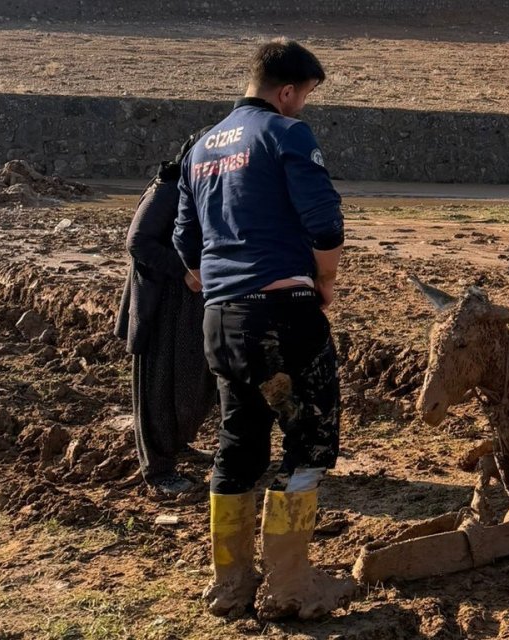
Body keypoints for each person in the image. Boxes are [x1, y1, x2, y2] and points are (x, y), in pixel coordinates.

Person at [173, 38, 353, 619]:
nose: (302, 106)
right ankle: (292, 585)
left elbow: (185, 240)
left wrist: (208, 276)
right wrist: (325, 281)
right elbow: (323, 221)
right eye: (303, 95)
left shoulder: (200, 147)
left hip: (221, 321)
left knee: (238, 442)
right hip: (283, 315)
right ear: (285, 90)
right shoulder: (285, 133)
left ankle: (231, 584)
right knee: (308, 443)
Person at [114, 128, 217, 497]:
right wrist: (185, 272)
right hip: (162, 305)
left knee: (190, 382)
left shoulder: (202, 189)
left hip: (190, 305)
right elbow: (138, 242)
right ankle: (157, 469)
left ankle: (178, 444)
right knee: (158, 389)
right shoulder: (169, 188)